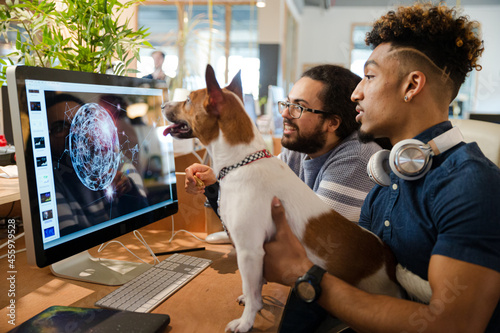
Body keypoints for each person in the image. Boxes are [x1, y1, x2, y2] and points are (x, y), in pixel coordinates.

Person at [263, 3, 500, 332]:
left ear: (411, 86)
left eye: (369, 76)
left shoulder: (471, 186)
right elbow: (356, 282)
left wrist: (303, 276)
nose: (356, 93)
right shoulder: (387, 181)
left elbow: (452, 324)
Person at [185, 64, 381, 224]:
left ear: (332, 123)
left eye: (298, 107)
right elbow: (257, 198)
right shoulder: (299, 148)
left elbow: (311, 237)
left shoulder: (355, 158)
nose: (284, 114)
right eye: (287, 104)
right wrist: (217, 183)